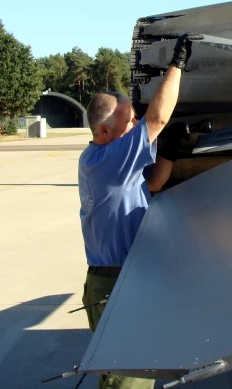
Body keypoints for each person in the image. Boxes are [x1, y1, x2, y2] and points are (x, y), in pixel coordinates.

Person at [78, 35, 192, 389]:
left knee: (138, 374)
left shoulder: (113, 163)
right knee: (125, 380)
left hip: (122, 281)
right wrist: (178, 64)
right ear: (105, 131)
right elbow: (157, 117)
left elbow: (152, 185)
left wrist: (169, 153)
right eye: (130, 123)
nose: (137, 126)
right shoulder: (105, 162)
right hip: (114, 286)